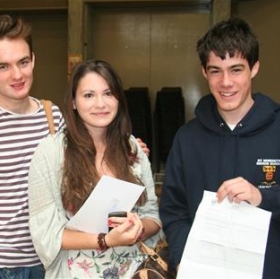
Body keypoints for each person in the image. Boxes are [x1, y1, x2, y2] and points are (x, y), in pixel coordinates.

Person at [159, 17, 280, 278]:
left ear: (254, 68)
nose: (226, 82)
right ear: (204, 72)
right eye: (216, 70)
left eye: (236, 69)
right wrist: (182, 260)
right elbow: (174, 210)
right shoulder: (187, 138)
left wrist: (263, 197)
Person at [27, 59, 161, 278]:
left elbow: (153, 216)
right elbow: (46, 233)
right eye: (89, 95)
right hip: (75, 272)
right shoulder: (51, 153)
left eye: (108, 93)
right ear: (73, 102)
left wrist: (137, 229)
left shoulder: (132, 148)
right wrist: (105, 239)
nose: (101, 104)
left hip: (132, 271)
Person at [0, 14, 65, 278]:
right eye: (2, 66)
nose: (17, 75)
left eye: (23, 62)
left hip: (48, 260)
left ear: (33, 59)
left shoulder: (53, 116)